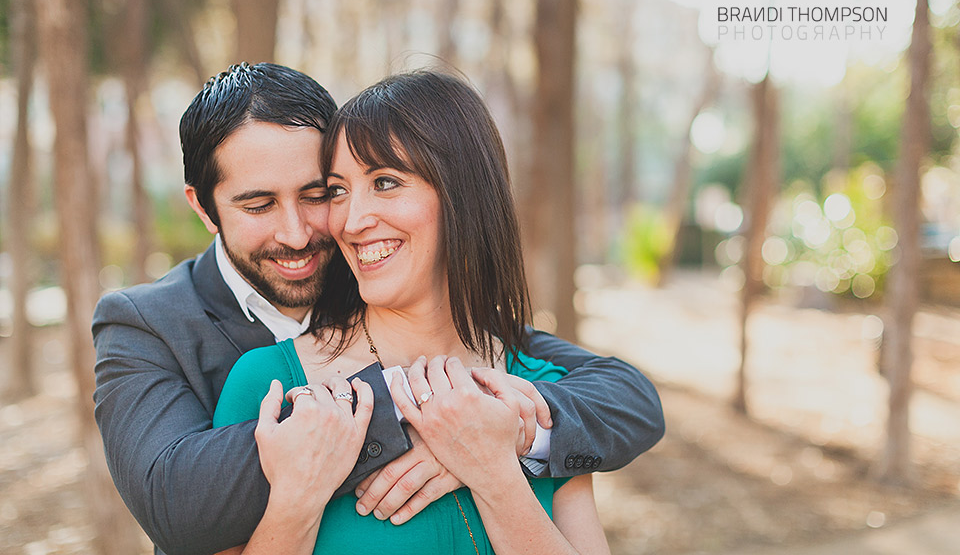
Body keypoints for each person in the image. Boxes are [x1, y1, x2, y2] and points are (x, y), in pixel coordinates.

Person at [92, 63, 664, 555]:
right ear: (205, 208)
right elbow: (174, 505)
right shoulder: (166, 334)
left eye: (320, 193)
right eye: (259, 204)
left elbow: (622, 394)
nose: (304, 232)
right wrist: (419, 416)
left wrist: (502, 445)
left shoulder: (516, 391)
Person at [212, 70, 613, 554]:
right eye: (337, 190)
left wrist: (495, 476)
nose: (352, 221)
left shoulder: (539, 396)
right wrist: (298, 500)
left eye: (385, 182)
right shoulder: (272, 387)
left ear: (462, 196)